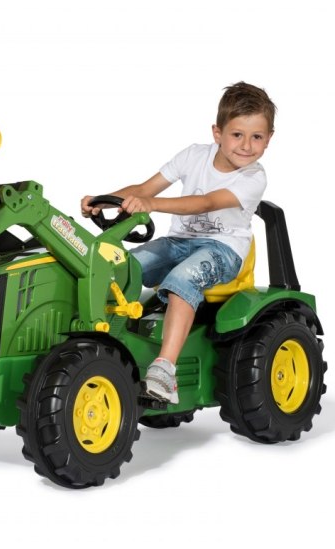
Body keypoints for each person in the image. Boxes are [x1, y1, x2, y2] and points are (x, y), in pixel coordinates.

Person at [81, 81, 276, 405]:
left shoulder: (253, 177)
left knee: (182, 279)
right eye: (237, 134)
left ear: (269, 138)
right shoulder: (194, 155)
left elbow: (205, 203)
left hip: (223, 250)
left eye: (256, 137)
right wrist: (105, 199)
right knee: (120, 268)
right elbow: (144, 189)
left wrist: (152, 205)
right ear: (217, 133)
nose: (246, 145)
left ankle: (164, 370)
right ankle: (102, 341)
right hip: (178, 242)